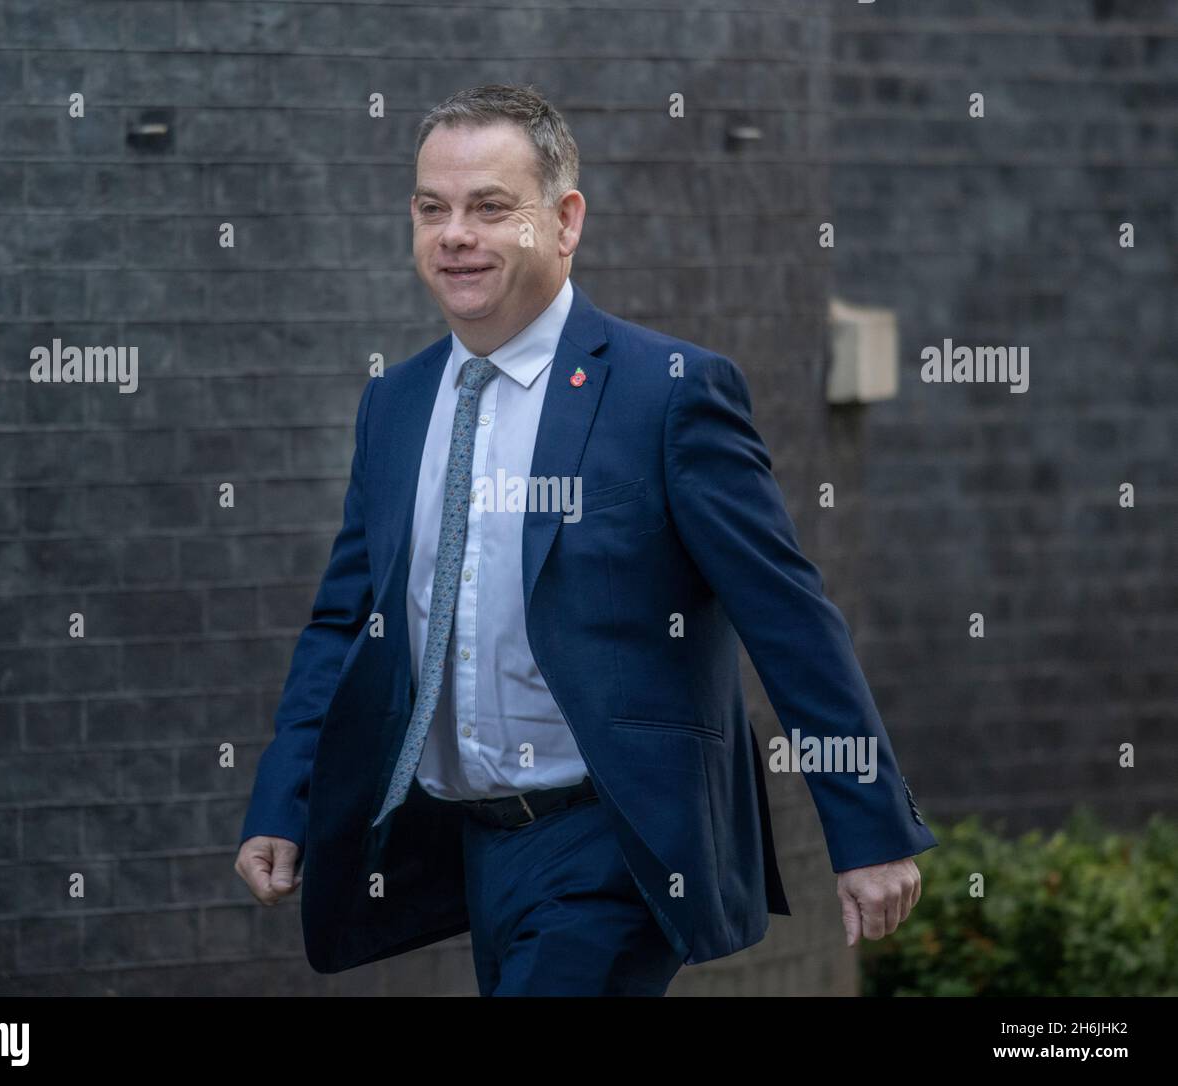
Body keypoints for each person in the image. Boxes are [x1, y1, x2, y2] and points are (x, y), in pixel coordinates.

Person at [235, 83, 937, 996]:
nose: (456, 235)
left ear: (564, 222)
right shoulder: (395, 405)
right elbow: (345, 624)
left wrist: (871, 827)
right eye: (431, 209)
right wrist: (283, 802)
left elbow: (788, 617)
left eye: (491, 208)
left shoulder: (668, 393)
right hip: (474, 846)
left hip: (616, 840)